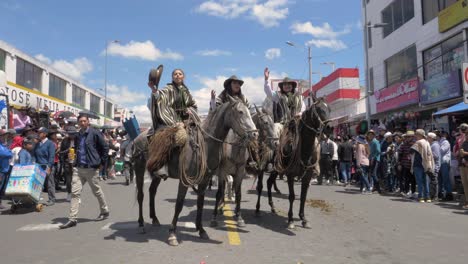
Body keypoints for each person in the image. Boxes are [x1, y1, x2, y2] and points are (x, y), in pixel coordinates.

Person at [59, 114, 110, 229]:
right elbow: (78, 149)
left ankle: (104, 211)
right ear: (78, 123)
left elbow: (105, 148)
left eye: (84, 121)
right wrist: (74, 160)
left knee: (96, 191)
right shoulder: (78, 135)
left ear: (88, 122)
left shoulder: (95, 133)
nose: (82, 123)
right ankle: (72, 219)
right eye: (80, 121)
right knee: (75, 193)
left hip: (91, 168)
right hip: (79, 168)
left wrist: (102, 163)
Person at [34, 127, 56, 206]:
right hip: (39, 166)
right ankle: (35, 198)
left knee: (49, 184)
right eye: (38, 132)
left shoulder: (50, 144)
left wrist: (49, 167)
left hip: (47, 166)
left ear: (45, 134)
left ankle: (52, 199)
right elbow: (35, 154)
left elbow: (51, 156)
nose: (38, 134)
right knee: (38, 184)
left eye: (40, 132)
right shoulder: (38, 144)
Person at [410, 129, 434, 203]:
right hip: (426, 164)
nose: (415, 136)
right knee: (425, 181)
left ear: (419, 135)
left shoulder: (418, 142)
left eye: (416, 134)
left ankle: (421, 197)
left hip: (418, 164)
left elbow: (411, 151)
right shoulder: (427, 142)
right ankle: (428, 197)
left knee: (419, 181)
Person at [59, 126, 78, 202]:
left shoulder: (78, 140)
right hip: (67, 162)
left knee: (77, 180)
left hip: (76, 162)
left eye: (73, 134)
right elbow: (61, 152)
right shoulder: (65, 141)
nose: (71, 135)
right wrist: (68, 150)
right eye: (70, 134)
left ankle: (77, 195)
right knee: (68, 180)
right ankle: (69, 193)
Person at [0, 130, 13, 210]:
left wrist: (9, 152)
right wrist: (9, 152)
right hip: (1, 170)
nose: (4, 137)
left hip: (5, 169)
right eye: (3, 136)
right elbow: (7, 154)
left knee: (2, 188)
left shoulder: (3, 145)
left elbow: (9, 154)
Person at [439, 131, 452, 201]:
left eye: (443, 134)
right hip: (440, 162)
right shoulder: (439, 142)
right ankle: (441, 194)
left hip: (444, 162)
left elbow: (441, 150)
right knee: (440, 179)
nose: (442, 135)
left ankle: (449, 194)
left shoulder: (446, 142)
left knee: (445, 179)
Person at [427, 132, 440, 201]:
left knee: (434, 181)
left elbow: (436, 155)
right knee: (432, 181)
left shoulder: (435, 145)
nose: (427, 138)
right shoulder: (431, 144)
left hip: (434, 166)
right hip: (430, 165)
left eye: (428, 137)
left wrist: (427, 154)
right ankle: (432, 195)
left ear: (431, 138)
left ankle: (435, 196)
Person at [457, 128, 468, 209]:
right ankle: (467, 201)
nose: (466, 135)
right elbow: (460, 153)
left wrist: (465, 153)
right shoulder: (464, 143)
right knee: (465, 184)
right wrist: (461, 153)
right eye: (466, 134)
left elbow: (463, 153)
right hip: (462, 165)